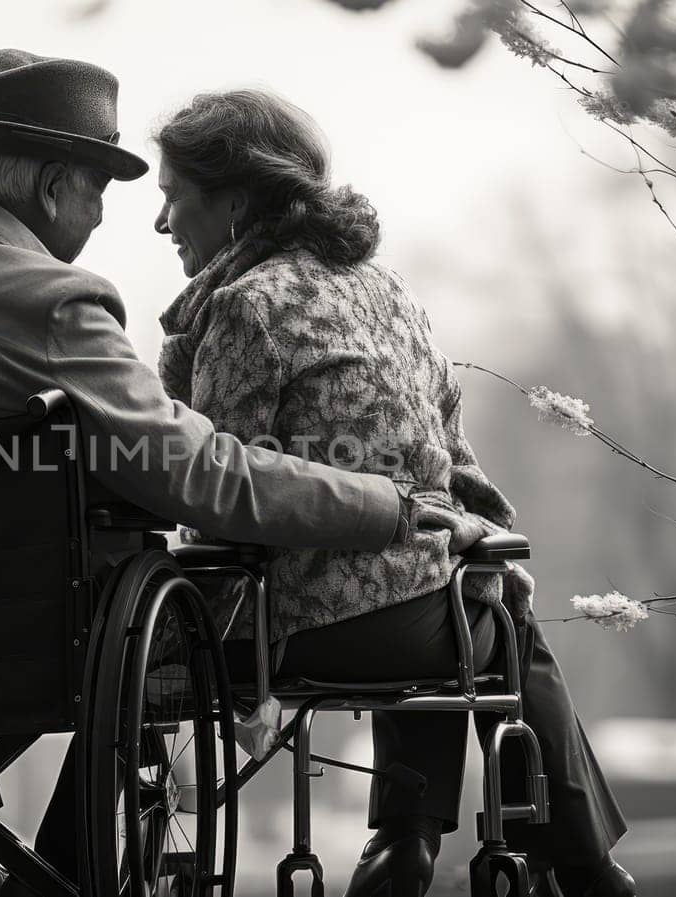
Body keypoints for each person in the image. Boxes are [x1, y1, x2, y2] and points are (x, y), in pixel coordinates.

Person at [0, 51, 456, 897]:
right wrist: (381, 504)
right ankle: (49, 875)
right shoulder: (50, 300)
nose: (106, 218)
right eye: (99, 191)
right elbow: (198, 475)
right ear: (54, 185)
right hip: (29, 643)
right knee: (127, 598)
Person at [149, 88, 636, 897]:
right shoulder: (388, 292)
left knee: (456, 594)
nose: (162, 224)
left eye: (172, 198)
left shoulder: (246, 308)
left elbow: (220, 495)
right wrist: (486, 543)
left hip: (296, 626)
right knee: (491, 606)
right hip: (427, 627)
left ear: (233, 200)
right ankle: (540, 857)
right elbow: (456, 462)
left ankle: (408, 838)